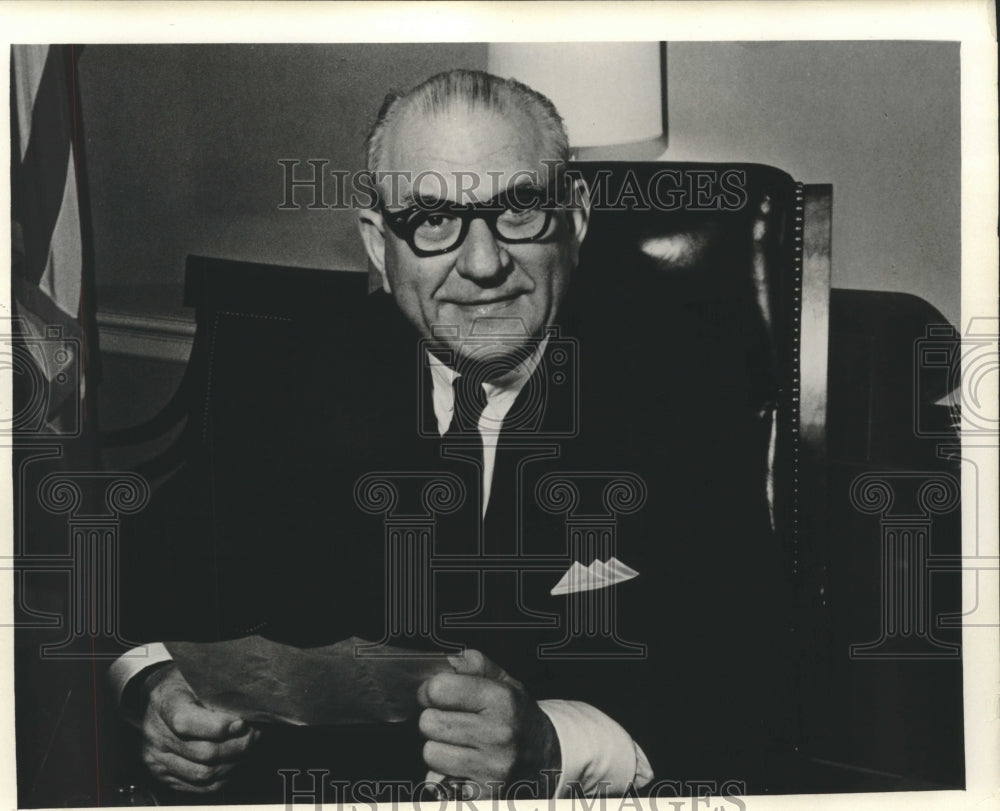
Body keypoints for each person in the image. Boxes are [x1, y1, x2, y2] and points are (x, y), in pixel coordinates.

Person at [110, 69, 794, 802]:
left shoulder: (688, 390)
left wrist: (552, 742)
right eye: (432, 220)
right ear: (379, 244)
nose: (482, 264)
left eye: (520, 209)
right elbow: (154, 583)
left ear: (577, 218)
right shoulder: (289, 376)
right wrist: (152, 686)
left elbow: (751, 690)